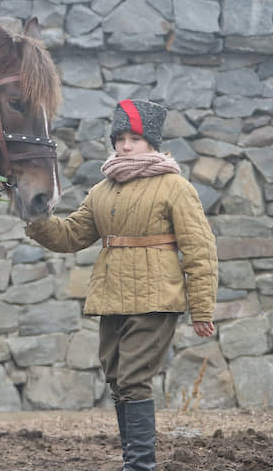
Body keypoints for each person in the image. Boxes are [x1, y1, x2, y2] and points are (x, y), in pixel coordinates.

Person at [24, 100, 218, 471]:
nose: (126, 146)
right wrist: (36, 217)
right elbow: (71, 235)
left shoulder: (175, 186)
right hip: (111, 296)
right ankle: (134, 462)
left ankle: (139, 466)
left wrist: (202, 309)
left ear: (152, 142)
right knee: (117, 380)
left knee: (132, 379)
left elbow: (200, 250)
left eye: (135, 139)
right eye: (120, 139)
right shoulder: (103, 189)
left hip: (156, 297)